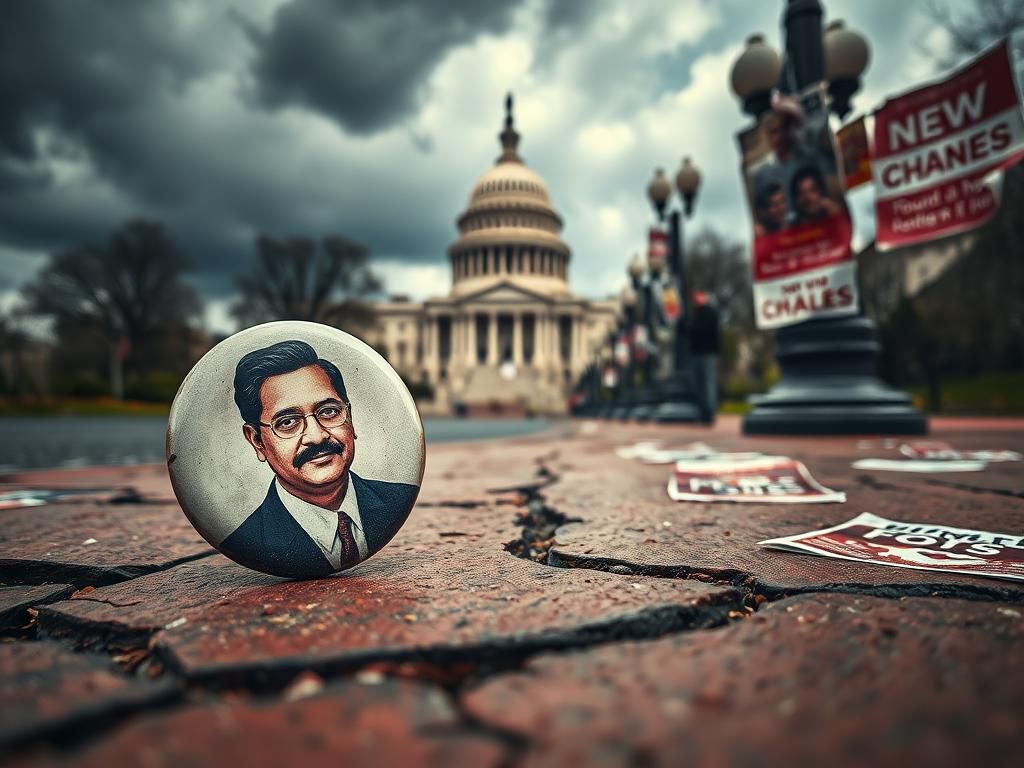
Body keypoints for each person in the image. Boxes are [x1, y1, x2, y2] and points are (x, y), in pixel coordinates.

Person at [221, 339, 419, 578]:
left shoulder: (399, 500)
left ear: (350, 418)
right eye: (287, 422)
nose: (316, 436)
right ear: (257, 441)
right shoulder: (247, 541)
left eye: (329, 412)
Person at [689, 293, 719, 424]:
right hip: (696, 353)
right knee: (699, 385)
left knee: (707, 383)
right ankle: (702, 413)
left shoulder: (709, 313)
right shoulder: (695, 313)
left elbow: (705, 330)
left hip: (707, 353)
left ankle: (709, 413)